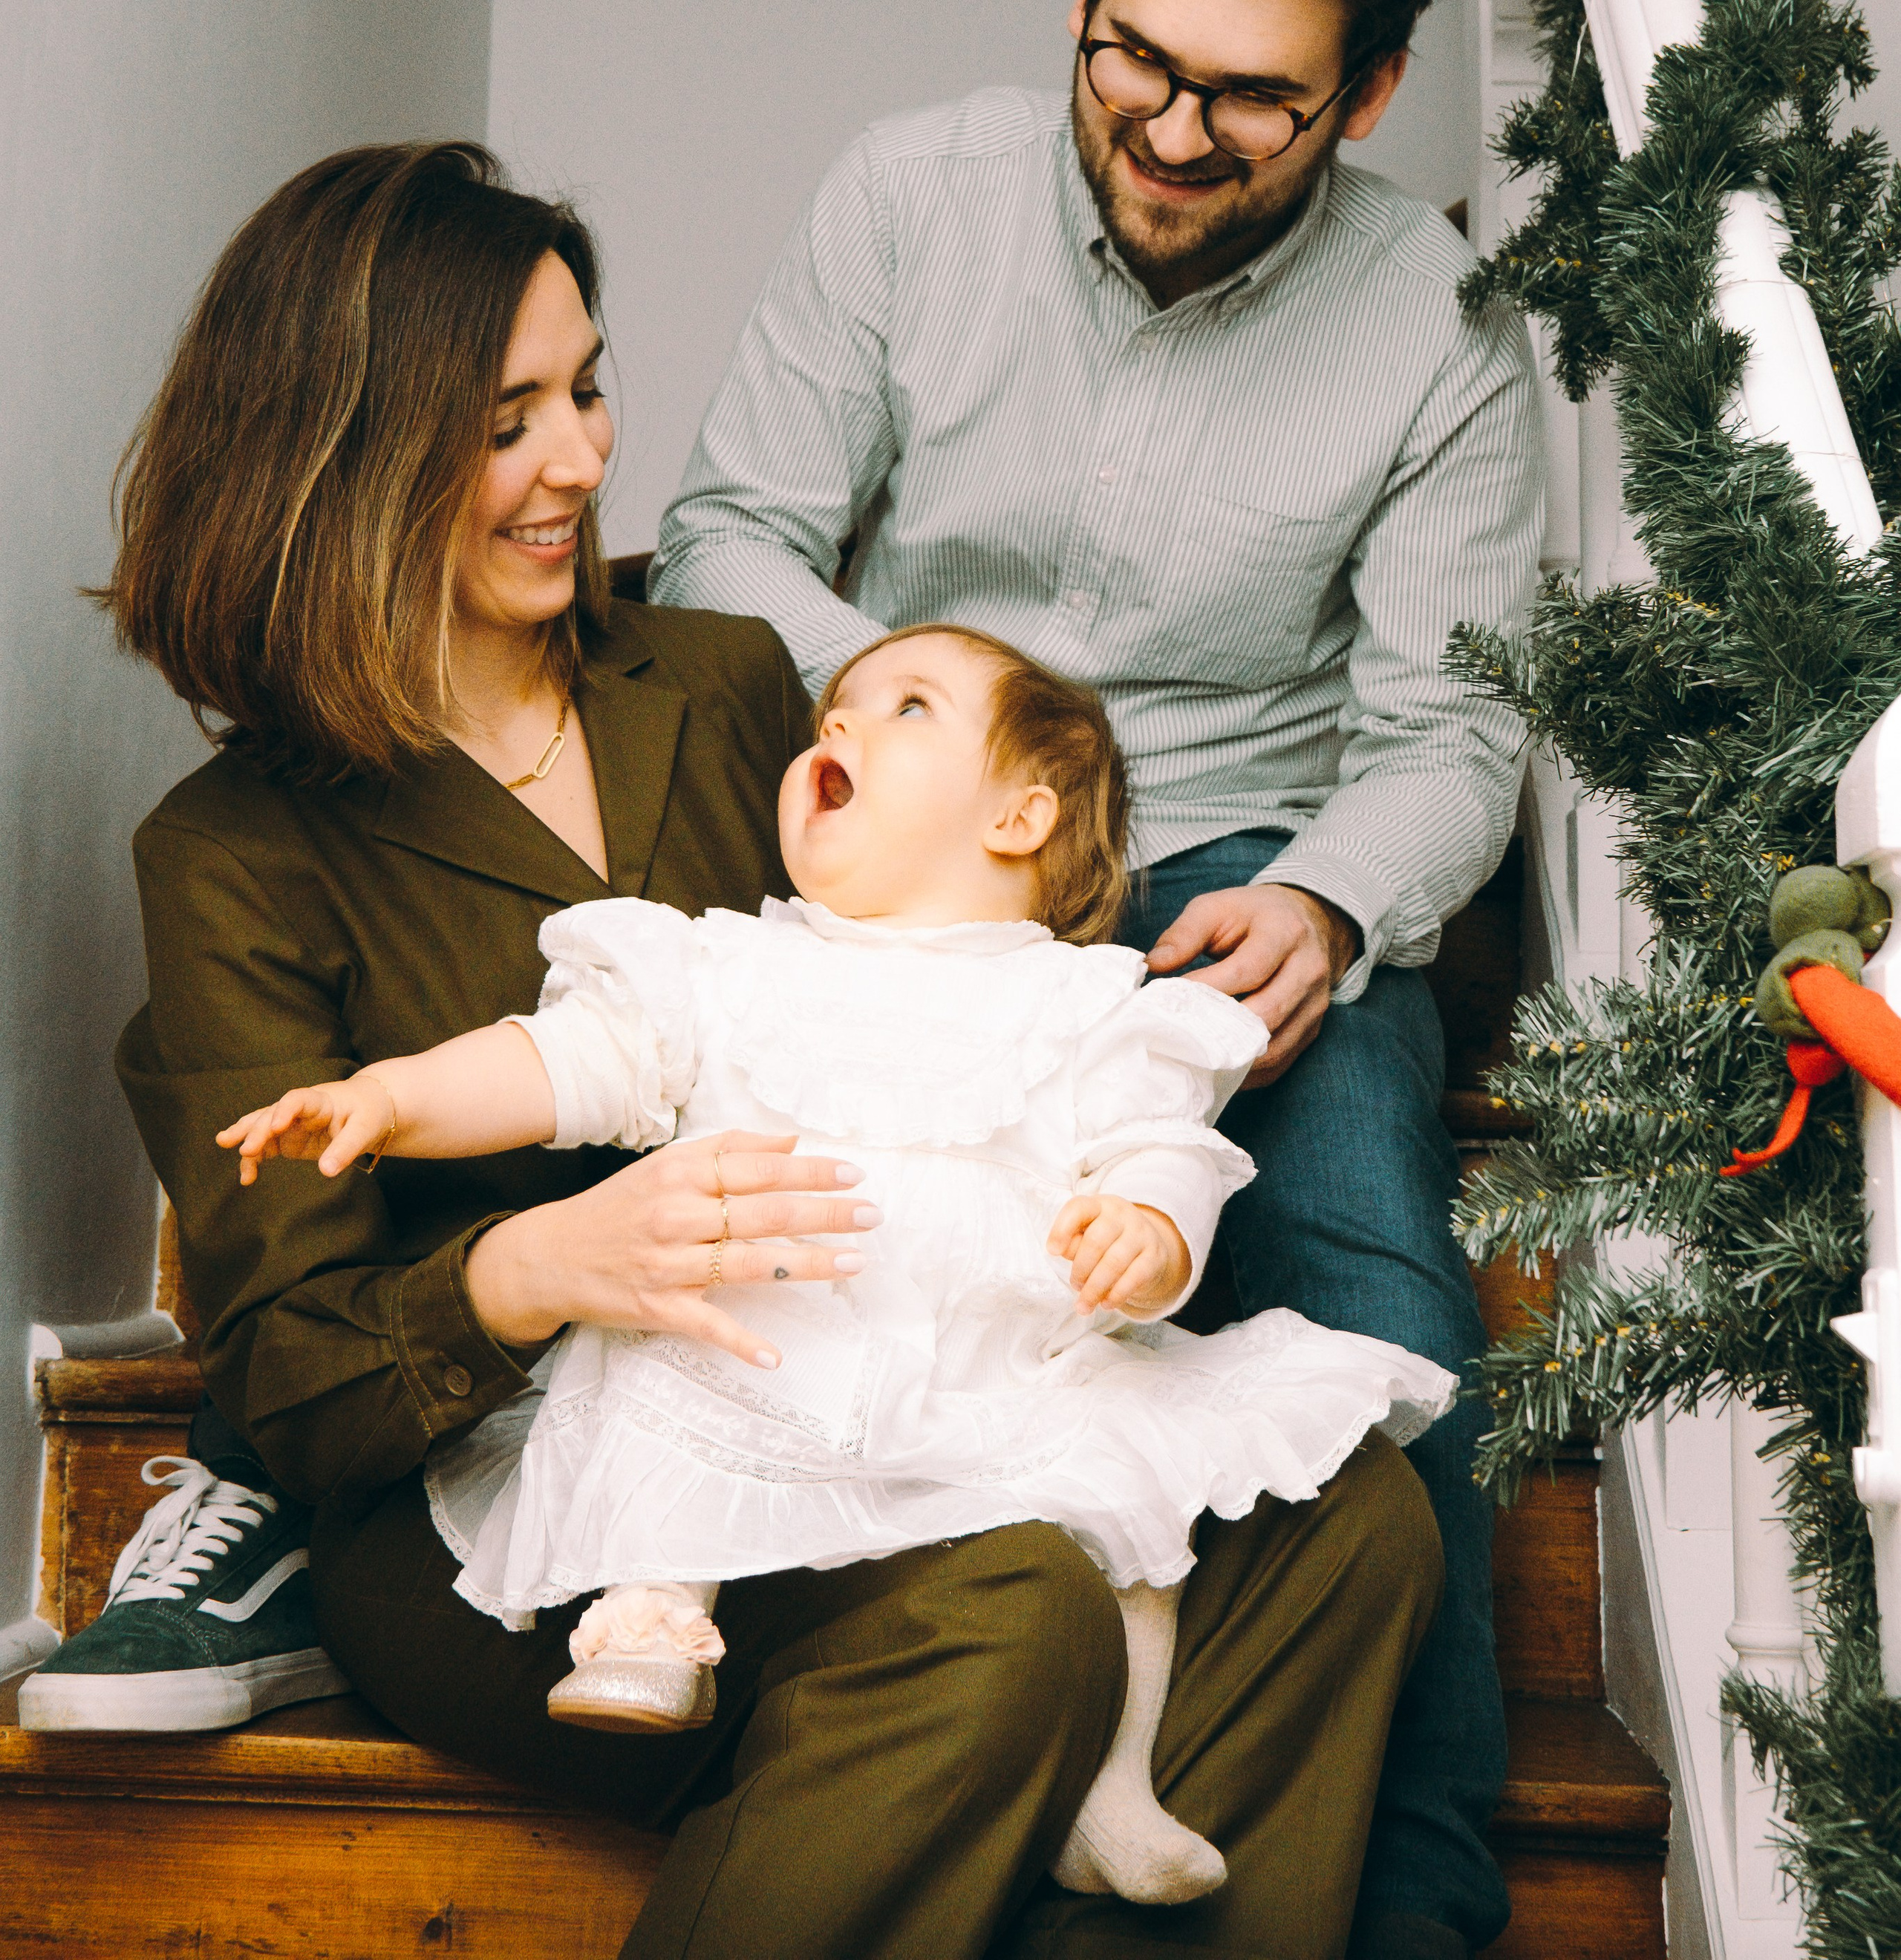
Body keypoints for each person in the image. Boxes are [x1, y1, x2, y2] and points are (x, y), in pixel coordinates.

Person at [25, 138, 1443, 1960]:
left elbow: (949, 979)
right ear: (348, 450)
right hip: (535, 1500)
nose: (587, 459)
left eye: (590, 388)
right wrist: (534, 1265)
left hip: (881, 1390)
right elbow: (290, 1378)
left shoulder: (724, 682)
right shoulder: (232, 855)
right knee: (1009, 1610)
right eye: (506, 418)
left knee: (1357, 1524)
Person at [650, 0, 1546, 1960]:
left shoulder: (1442, 318)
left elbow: (1452, 720)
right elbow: (732, 528)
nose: (1168, 127)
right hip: (921, 855)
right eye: (1132, 53)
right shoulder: (906, 197)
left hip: (1232, 867)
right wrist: (923, 720)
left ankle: (1421, 1898)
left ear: (1371, 93)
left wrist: (1332, 897)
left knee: (1366, 1287)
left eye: (1253, 98)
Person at [221, 621, 1454, 1910]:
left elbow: (1164, 1147)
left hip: (987, 1384)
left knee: (1133, 1528)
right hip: (764, 1353)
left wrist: (1148, 1234)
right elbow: (565, 1060)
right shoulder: (731, 965)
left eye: (906, 707)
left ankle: (1113, 1781)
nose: (840, 729)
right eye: (835, 711)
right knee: (671, 1409)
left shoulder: (1093, 1003)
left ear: (1022, 814)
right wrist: (392, 1098)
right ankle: (648, 1626)